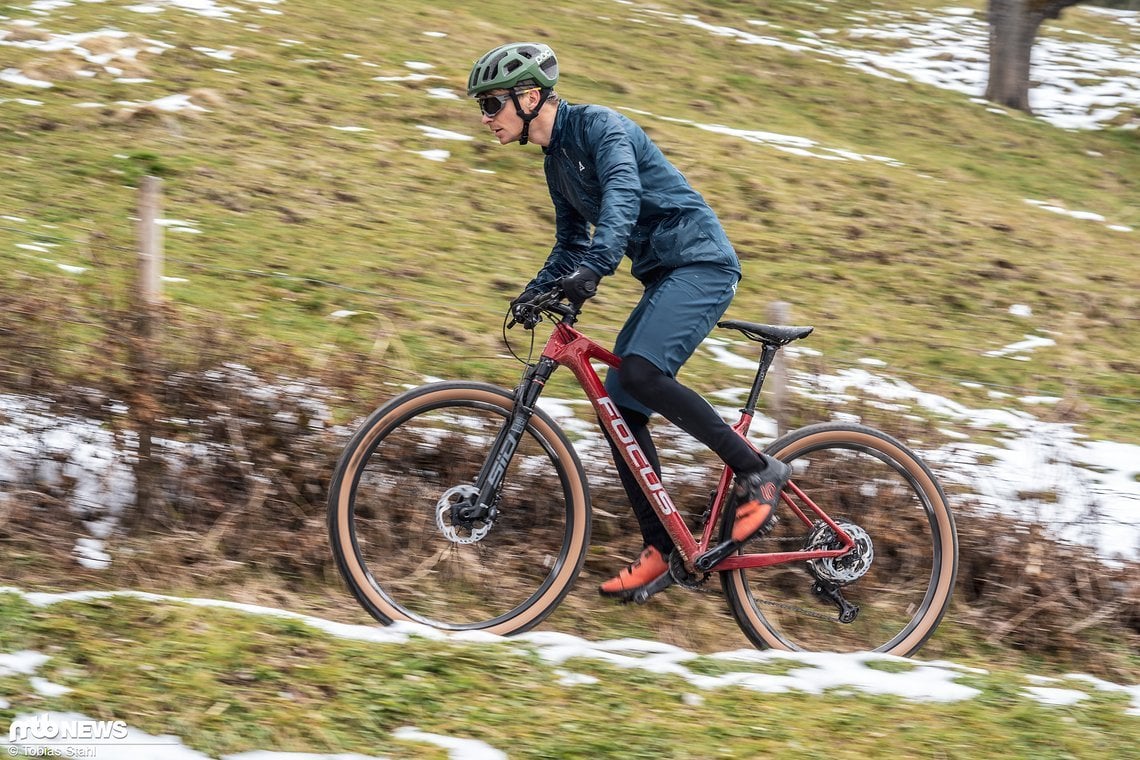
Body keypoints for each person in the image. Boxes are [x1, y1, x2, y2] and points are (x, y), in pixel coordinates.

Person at [467, 42, 790, 602]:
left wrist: (596, 269)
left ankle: (759, 471)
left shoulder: (600, 128)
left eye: (492, 104)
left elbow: (621, 197)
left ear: (528, 96)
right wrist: (536, 291)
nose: (486, 118)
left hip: (702, 264)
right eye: (482, 108)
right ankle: (662, 546)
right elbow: (571, 240)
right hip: (664, 275)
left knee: (639, 373)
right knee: (619, 400)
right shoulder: (556, 163)